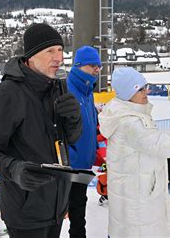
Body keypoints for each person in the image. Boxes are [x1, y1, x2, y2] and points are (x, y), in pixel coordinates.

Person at [0, 23, 83, 238]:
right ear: (31, 56)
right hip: (25, 212)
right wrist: (15, 169)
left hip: (56, 207)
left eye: (60, 50)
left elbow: (69, 139)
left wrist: (73, 118)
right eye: (50, 51)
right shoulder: (6, 95)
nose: (58, 57)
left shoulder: (56, 88)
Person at [98, 67, 170, 237]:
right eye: (140, 89)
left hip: (134, 199)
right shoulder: (131, 123)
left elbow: (146, 146)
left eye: (146, 86)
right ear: (127, 94)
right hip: (138, 207)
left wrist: (160, 160)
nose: (147, 91)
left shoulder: (125, 113)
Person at [65, 45, 101, 238]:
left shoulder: (88, 91)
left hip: (83, 165)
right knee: (59, 211)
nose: (97, 69)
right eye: (92, 65)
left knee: (79, 211)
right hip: (68, 166)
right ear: (78, 66)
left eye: (99, 66)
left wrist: (94, 150)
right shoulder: (66, 90)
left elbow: (91, 124)